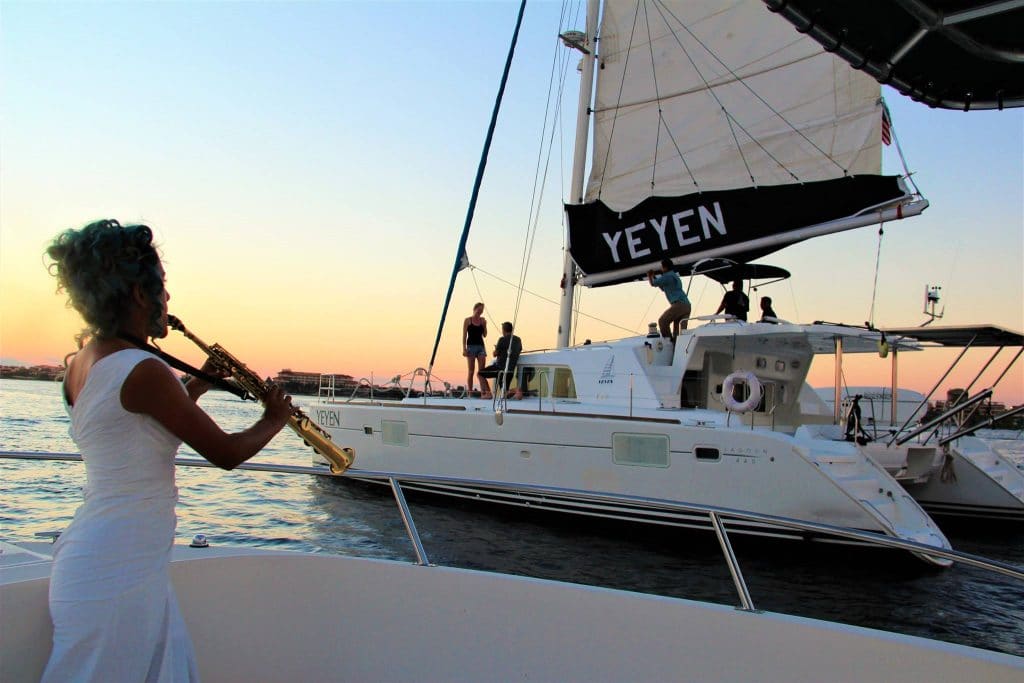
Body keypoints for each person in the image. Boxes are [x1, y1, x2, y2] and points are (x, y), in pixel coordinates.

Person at [41, 219, 293, 682]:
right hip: (121, 563)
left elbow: (131, 426)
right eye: (163, 288)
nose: (168, 301)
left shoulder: (81, 363)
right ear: (139, 294)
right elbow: (226, 452)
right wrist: (273, 419)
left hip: (102, 554)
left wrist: (193, 386)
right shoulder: (143, 369)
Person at [647, 258, 691, 342]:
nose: (661, 269)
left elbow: (653, 283)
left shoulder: (667, 276)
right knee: (678, 334)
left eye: (662, 267)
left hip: (679, 304)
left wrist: (649, 276)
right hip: (686, 305)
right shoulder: (673, 276)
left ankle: (668, 342)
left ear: (665, 268)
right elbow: (663, 288)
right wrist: (653, 277)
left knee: (662, 321)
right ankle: (676, 346)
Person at [478, 321, 523, 399]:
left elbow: (495, 354)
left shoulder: (502, 339)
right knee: (504, 394)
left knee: (480, 374)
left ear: (503, 330)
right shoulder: (518, 340)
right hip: (510, 371)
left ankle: (488, 394)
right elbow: (518, 350)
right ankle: (517, 390)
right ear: (511, 330)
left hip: (500, 369)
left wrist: (496, 350)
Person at [462, 302, 488, 396]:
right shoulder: (468, 320)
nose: (480, 312)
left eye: (482, 310)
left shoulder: (482, 321)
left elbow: (485, 335)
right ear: (475, 309)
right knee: (471, 371)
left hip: (481, 346)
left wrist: (485, 325)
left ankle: (483, 392)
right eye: (479, 310)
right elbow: (464, 335)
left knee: (482, 371)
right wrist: (464, 349)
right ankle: (470, 392)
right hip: (471, 346)